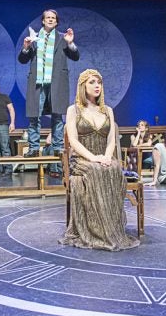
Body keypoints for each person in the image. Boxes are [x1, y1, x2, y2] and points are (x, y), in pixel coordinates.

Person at [60, 69, 140, 251]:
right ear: (83, 86)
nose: (97, 86)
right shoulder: (74, 110)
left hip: (103, 156)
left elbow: (111, 139)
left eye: (99, 82)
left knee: (112, 169)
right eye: (92, 82)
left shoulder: (108, 110)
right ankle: (97, 230)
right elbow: (73, 140)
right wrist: (93, 158)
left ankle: (111, 228)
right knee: (96, 170)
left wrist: (105, 157)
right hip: (82, 159)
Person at [18, 9, 80, 158]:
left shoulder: (62, 38)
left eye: (53, 18)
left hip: (56, 82)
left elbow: (75, 56)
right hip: (38, 82)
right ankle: (33, 148)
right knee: (34, 116)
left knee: (57, 116)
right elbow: (22, 60)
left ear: (57, 22)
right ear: (43, 21)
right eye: (48, 17)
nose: (51, 20)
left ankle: (58, 147)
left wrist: (70, 43)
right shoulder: (35, 38)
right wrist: (26, 47)